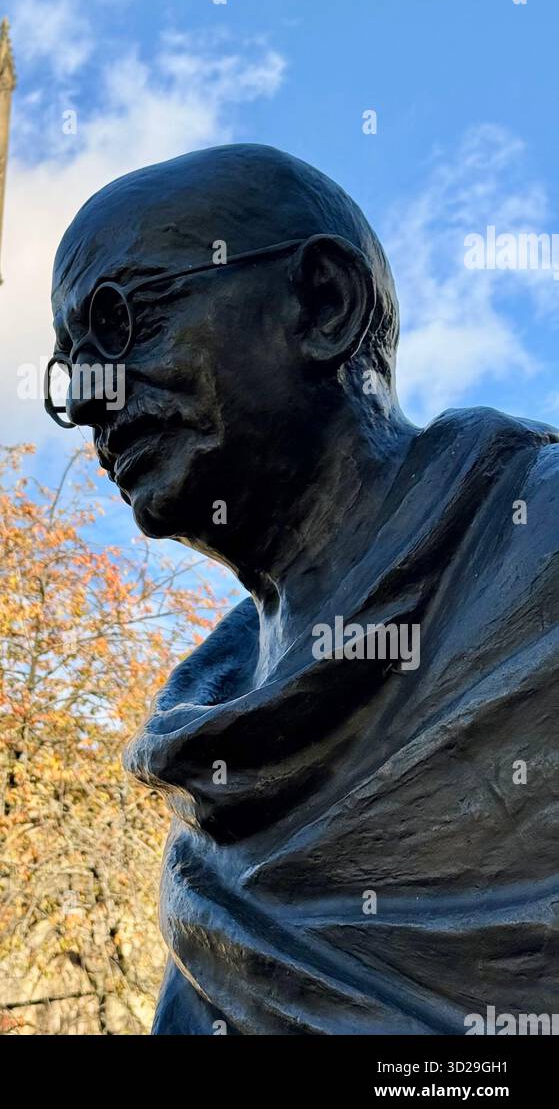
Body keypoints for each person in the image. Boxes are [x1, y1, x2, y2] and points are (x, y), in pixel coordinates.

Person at [47, 144, 559, 1034]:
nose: (90, 401)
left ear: (323, 304)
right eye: (67, 372)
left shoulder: (537, 547)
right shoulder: (211, 770)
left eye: (120, 325)